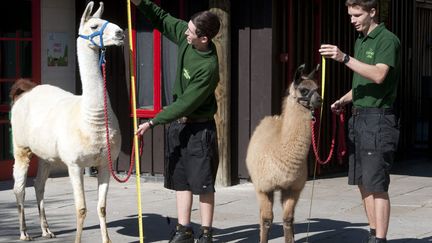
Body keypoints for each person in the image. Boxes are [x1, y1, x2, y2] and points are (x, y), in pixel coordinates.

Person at [131, 0, 220, 242]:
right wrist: (141, 3)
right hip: (180, 126)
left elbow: (186, 104)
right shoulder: (186, 36)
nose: (185, 32)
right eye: (188, 28)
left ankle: (206, 234)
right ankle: (184, 230)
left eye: (190, 31)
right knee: (181, 180)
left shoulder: (208, 67)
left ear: (204, 38)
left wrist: (152, 122)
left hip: (200, 129)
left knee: (202, 184)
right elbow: (161, 17)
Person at [319, 1, 400, 243]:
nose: (352, 19)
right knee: (362, 182)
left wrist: (343, 57)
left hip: (379, 120)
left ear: (372, 12)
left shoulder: (387, 39)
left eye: (357, 15)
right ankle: (373, 234)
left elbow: (378, 75)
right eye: (350, 15)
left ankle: (381, 240)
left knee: (377, 184)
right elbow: (362, 83)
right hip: (359, 117)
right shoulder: (361, 40)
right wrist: (343, 100)